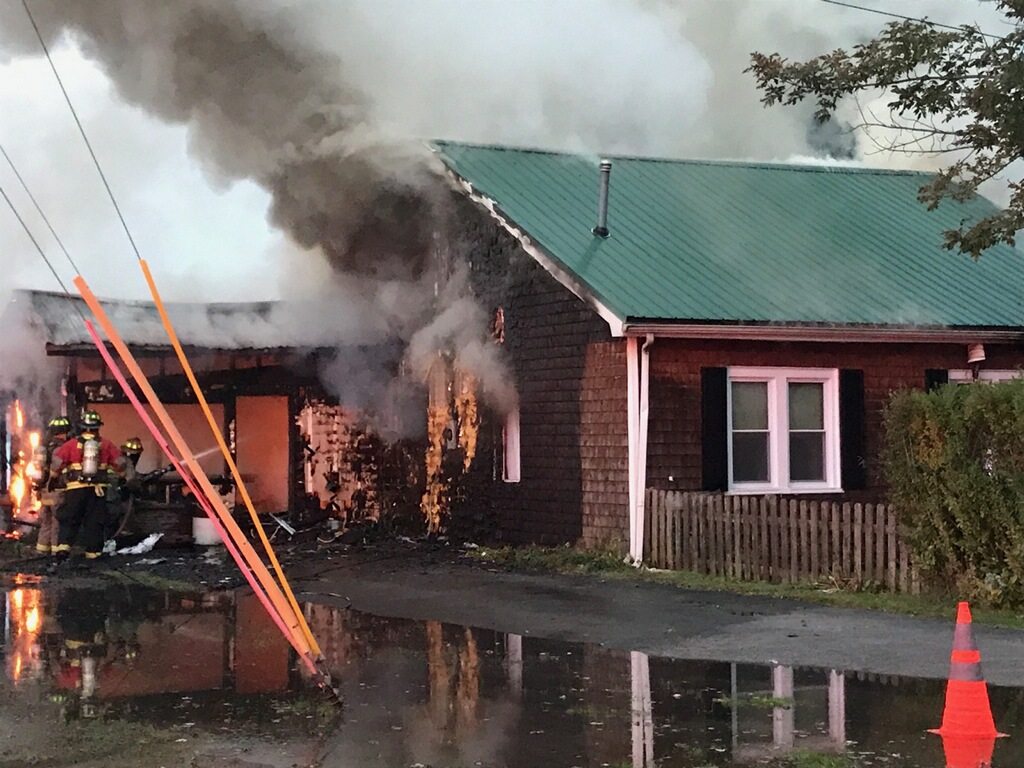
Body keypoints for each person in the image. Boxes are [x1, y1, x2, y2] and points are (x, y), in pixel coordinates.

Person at [50, 411, 125, 560]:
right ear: (98, 427)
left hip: (75, 489)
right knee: (95, 521)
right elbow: (120, 463)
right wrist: (122, 478)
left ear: (82, 427)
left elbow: (57, 463)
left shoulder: (71, 444)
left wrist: (53, 478)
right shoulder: (107, 444)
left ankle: (63, 548)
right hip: (98, 490)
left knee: (69, 518)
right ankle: (93, 553)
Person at [30, 416, 71, 555]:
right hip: (57, 490)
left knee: (46, 522)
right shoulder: (62, 449)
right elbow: (59, 470)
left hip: (44, 491)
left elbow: (38, 471)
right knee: (57, 522)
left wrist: (38, 486)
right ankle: (56, 551)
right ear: (65, 432)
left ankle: (41, 549)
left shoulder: (44, 448)